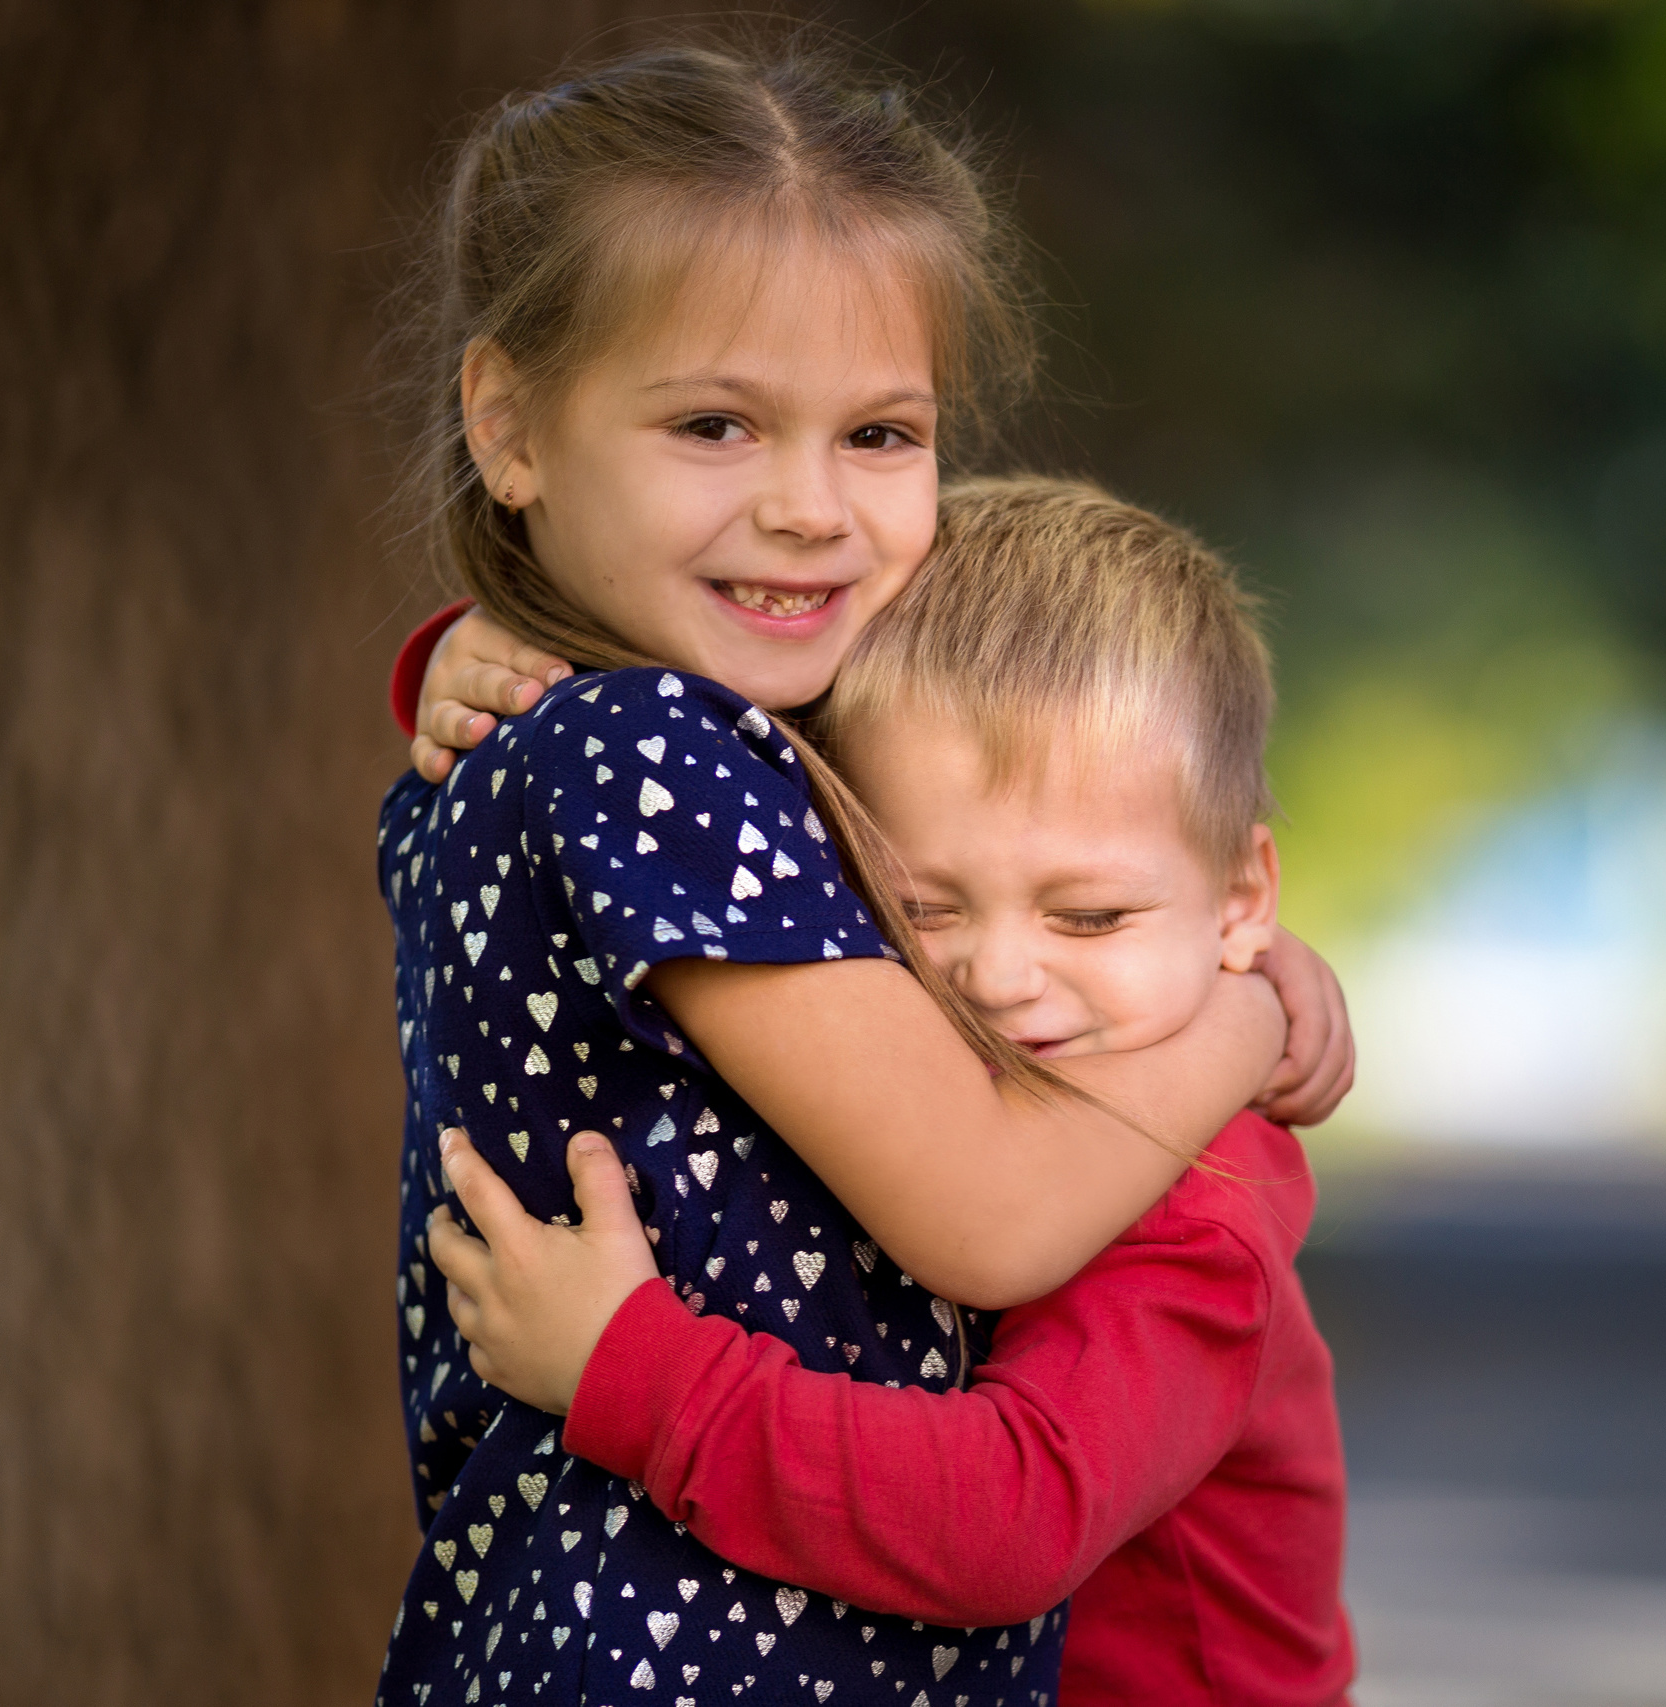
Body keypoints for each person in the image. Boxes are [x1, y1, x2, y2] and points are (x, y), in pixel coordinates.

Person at [371, 44, 1350, 1706]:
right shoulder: (652, 748)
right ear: (509, 424)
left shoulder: (611, 748)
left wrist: (470, 644)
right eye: (714, 421)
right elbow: (986, 1208)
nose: (809, 508)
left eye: (882, 433)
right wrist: (1252, 1016)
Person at [422, 477, 1357, 1705]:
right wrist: (472, 659)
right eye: (921, 910)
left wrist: (631, 1372)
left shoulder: (1196, 1219)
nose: (1002, 977)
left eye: (1091, 915)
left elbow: (1007, 1519)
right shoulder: (932, 1089)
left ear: (1241, 901)